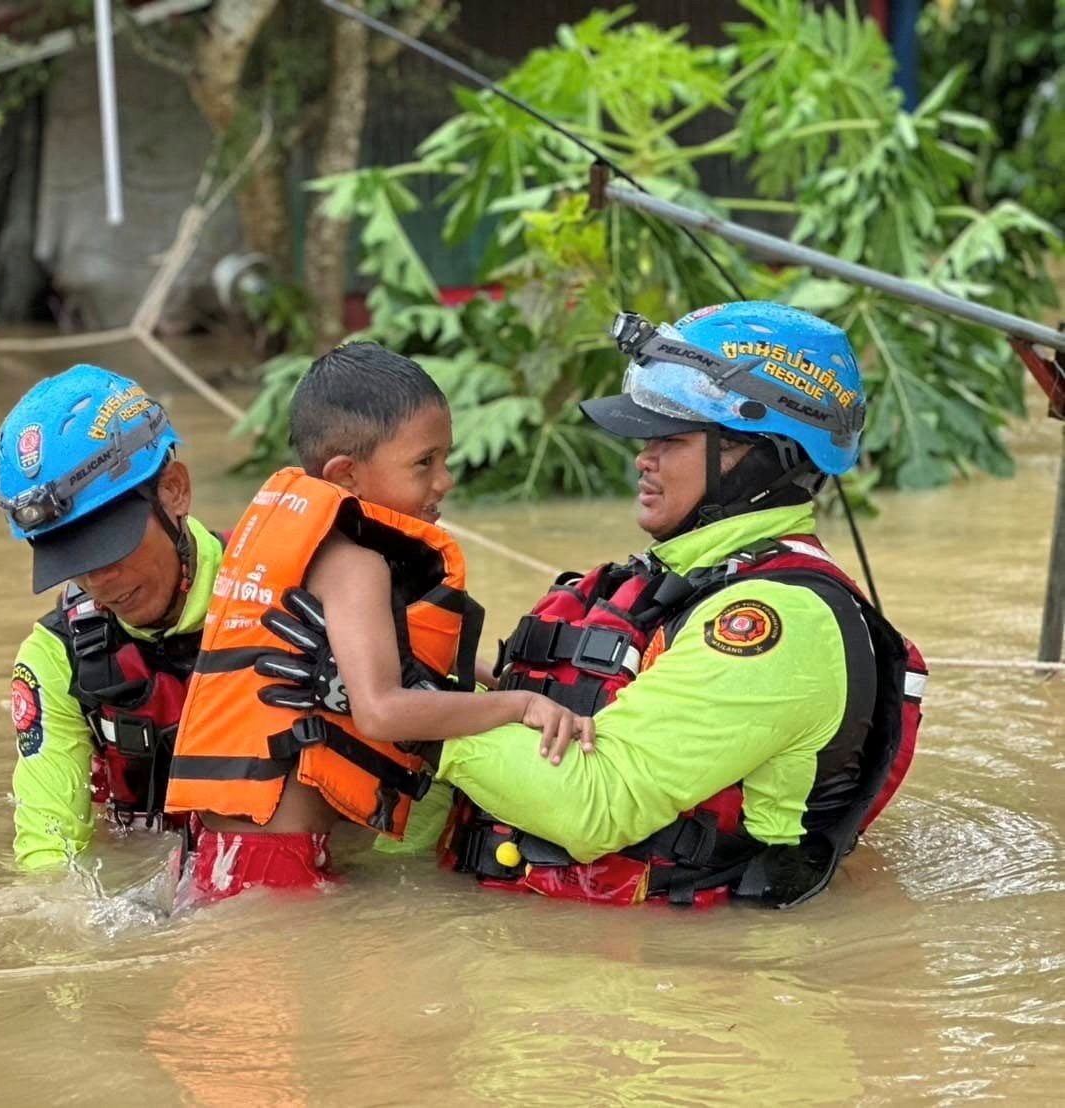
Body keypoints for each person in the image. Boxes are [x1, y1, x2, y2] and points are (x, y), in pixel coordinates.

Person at [262, 303, 927, 908]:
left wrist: (400, 712)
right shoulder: (664, 582)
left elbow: (598, 806)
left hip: (668, 977)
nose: (643, 460)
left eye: (670, 440)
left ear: (758, 457)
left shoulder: (778, 623)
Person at [163, 342, 590, 903]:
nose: (445, 480)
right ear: (347, 475)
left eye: (445, 458)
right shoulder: (356, 565)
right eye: (424, 463)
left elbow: (373, 661)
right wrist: (522, 705)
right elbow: (381, 710)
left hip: (216, 851)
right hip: (275, 862)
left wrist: (492, 676)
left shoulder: (313, 551)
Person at [0, 365, 230, 871]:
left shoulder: (284, 598)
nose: (98, 579)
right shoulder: (58, 656)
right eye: (73, 560)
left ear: (174, 491)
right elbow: (49, 847)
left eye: (110, 545)